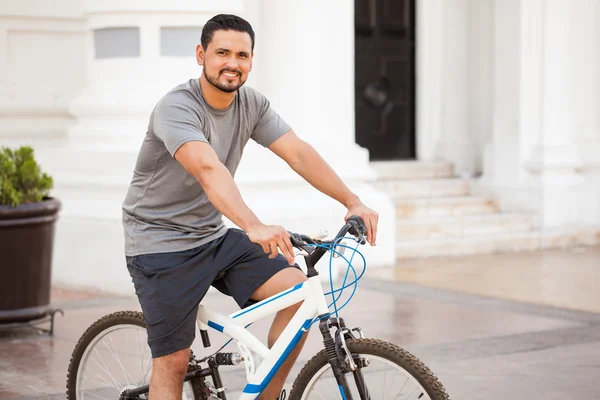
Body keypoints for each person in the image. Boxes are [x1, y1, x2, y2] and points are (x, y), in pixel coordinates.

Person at [122, 13, 379, 400]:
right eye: (222, 52)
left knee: (298, 295)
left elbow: (298, 153)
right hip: (160, 244)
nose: (232, 62)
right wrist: (253, 225)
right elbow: (209, 170)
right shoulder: (176, 108)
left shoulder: (251, 104)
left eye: (242, 54)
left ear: (251, 61)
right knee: (173, 362)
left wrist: (352, 200)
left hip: (211, 235)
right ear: (201, 55)